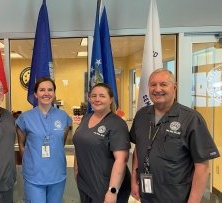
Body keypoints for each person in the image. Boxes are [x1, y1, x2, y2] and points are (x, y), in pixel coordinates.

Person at [130, 68, 220, 203]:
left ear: (174, 87)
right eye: (153, 84)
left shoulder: (191, 119)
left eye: (163, 84)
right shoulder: (141, 115)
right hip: (147, 195)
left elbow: (202, 166)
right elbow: (139, 148)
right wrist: (134, 180)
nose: (157, 89)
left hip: (177, 196)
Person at [16, 77, 72, 202]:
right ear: (35, 94)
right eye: (42, 90)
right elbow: (22, 145)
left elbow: (60, 143)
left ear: (54, 93)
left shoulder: (63, 117)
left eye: (50, 90)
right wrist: (32, 165)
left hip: (57, 173)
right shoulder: (25, 118)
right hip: (34, 175)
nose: (46, 93)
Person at [73, 83, 131, 203]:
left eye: (102, 96)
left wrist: (112, 191)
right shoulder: (86, 118)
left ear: (110, 99)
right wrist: (76, 172)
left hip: (107, 187)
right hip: (86, 184)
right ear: (89, 99)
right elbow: (80, 146)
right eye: (93, 96)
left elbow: (121, 160)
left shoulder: (117, 124)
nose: (97, 99)